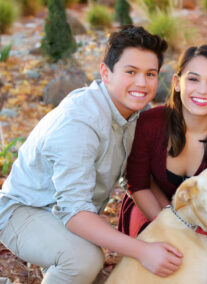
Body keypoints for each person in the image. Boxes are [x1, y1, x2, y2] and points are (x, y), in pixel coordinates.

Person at [0, 25, 184, 284]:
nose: (141, 83)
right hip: (24, 210)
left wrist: (178, 226)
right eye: (131, 72)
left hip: (66, 214)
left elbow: (138, 178)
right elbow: (74, 211)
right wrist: (142, 250)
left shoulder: (135, 113)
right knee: (84, 260)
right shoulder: (79, 122)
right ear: (105, 73)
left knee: (92, 272)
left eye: (150, 74)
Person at [118, 45, 207, 273]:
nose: (202, 90)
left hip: (205, 222)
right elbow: (138, 184)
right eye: (193, 79)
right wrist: (171, 224)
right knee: (160, 260)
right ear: (177, 83)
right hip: (150, 208)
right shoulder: (150, 123)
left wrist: (196, 234)